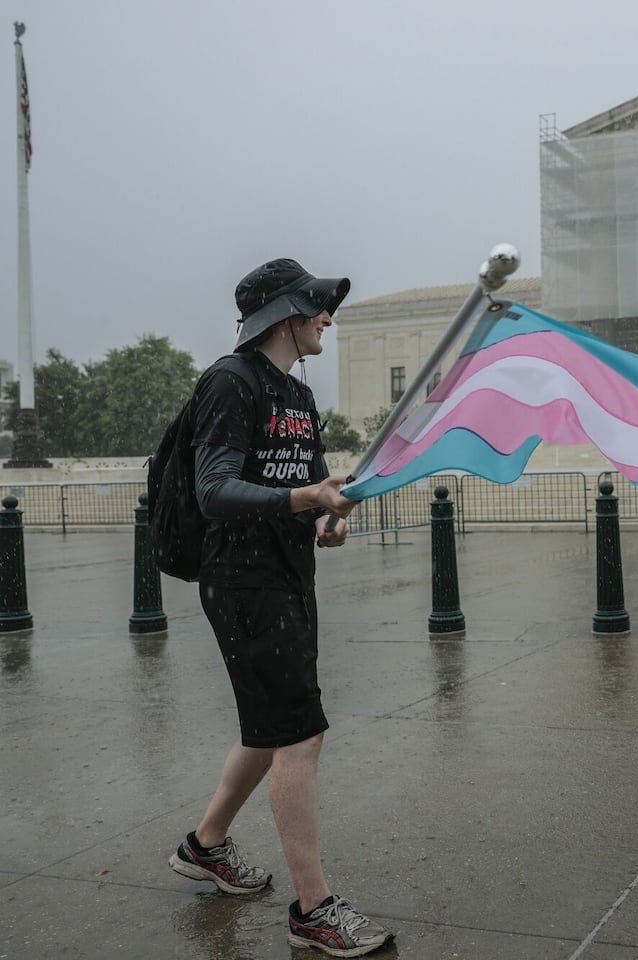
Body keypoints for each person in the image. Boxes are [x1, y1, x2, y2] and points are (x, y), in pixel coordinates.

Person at [166, 258, 393, 957]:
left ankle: (205, 846)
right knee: (300, 734)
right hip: (242, 580)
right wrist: (303, 499)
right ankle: (313, 910)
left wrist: (324, 517)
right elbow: (216, 491)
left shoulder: (297, 394)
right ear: (285, 314)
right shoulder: (230, 383)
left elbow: (305, 485)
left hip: (288, 575)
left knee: (271, 730)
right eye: (317, 307)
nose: (328, 317)